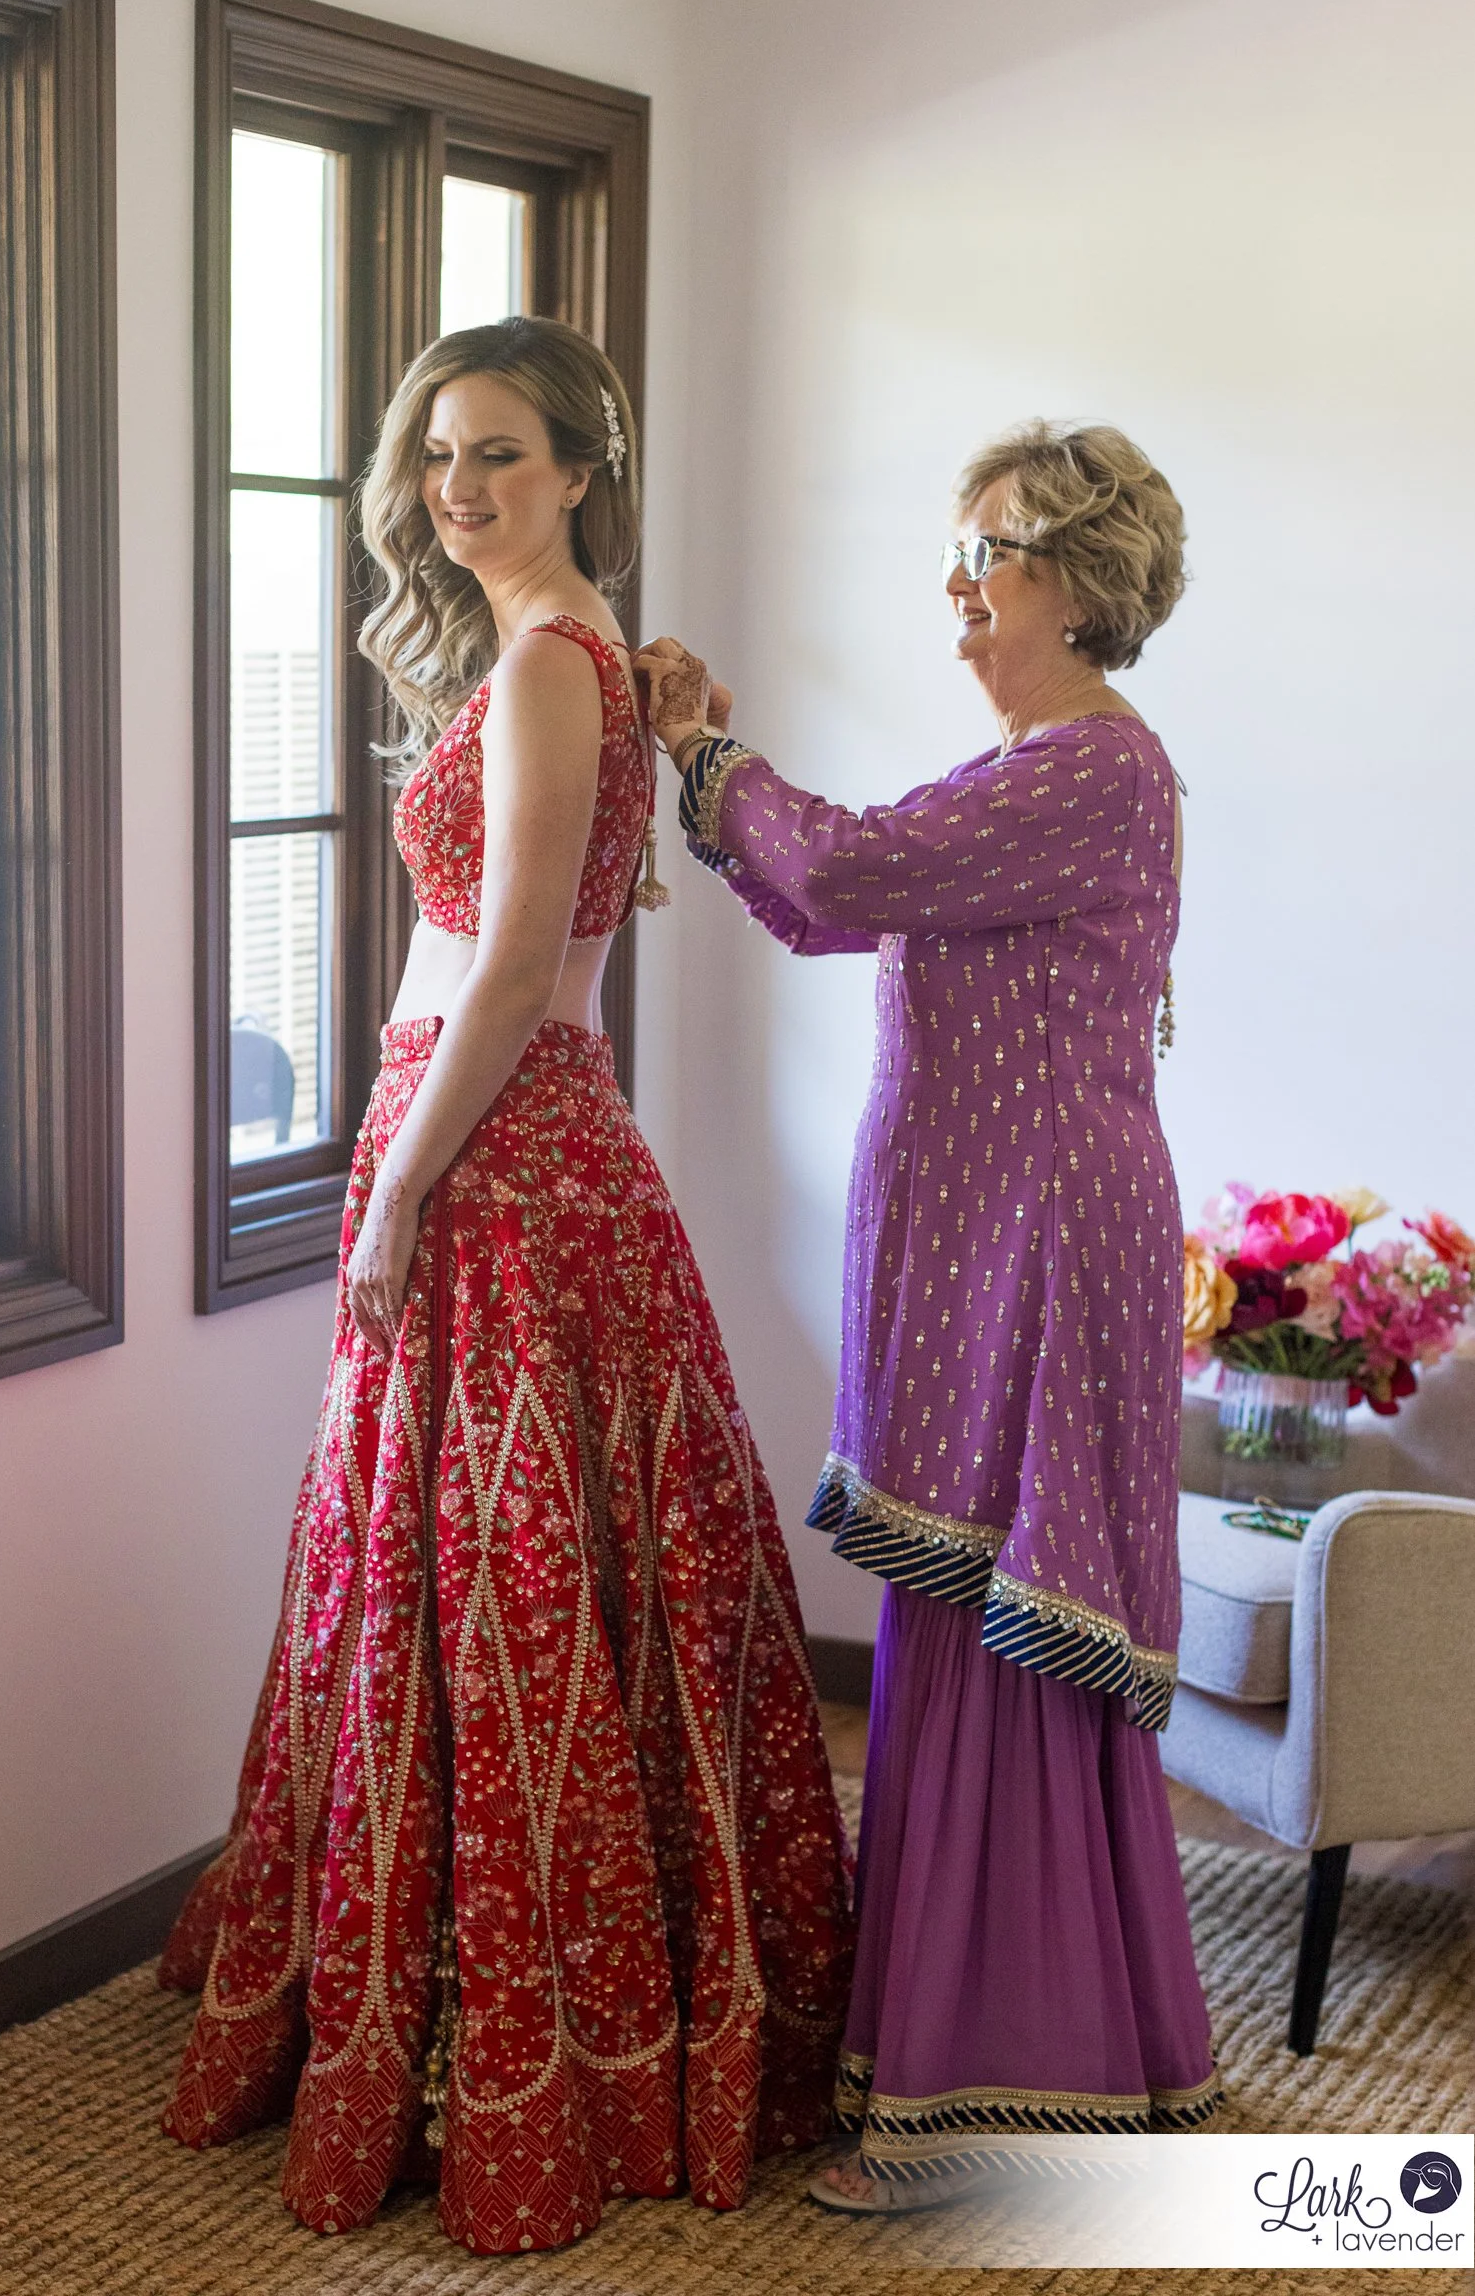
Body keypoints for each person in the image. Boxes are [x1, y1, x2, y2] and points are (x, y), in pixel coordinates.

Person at [158, 318, 855, 2255]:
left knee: (495, 1571)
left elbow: (521, 963)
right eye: (436, 458)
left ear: (574, 471)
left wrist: (396, 1194)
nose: (454, 491)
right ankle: (498, 1979)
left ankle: (547, 2018)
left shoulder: (556, 666)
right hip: (518, 1141)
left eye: (495, 456)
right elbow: (551, 975)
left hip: (488, 1145)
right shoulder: (568, 659)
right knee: (467, 1567)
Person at [638, 420, 1221, 2214]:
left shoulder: (1092, 772)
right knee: (968, 1626)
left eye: (988, 551)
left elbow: (843, 876)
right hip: (994, 1236)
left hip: (1036, 1245)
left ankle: (985, 2113)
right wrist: (721, 776)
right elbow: (836, 903)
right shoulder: (1039, 767)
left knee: (999, 1633)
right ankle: (1019, 2070)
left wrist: (702, 747)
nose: (956, 587)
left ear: (1073, 576)